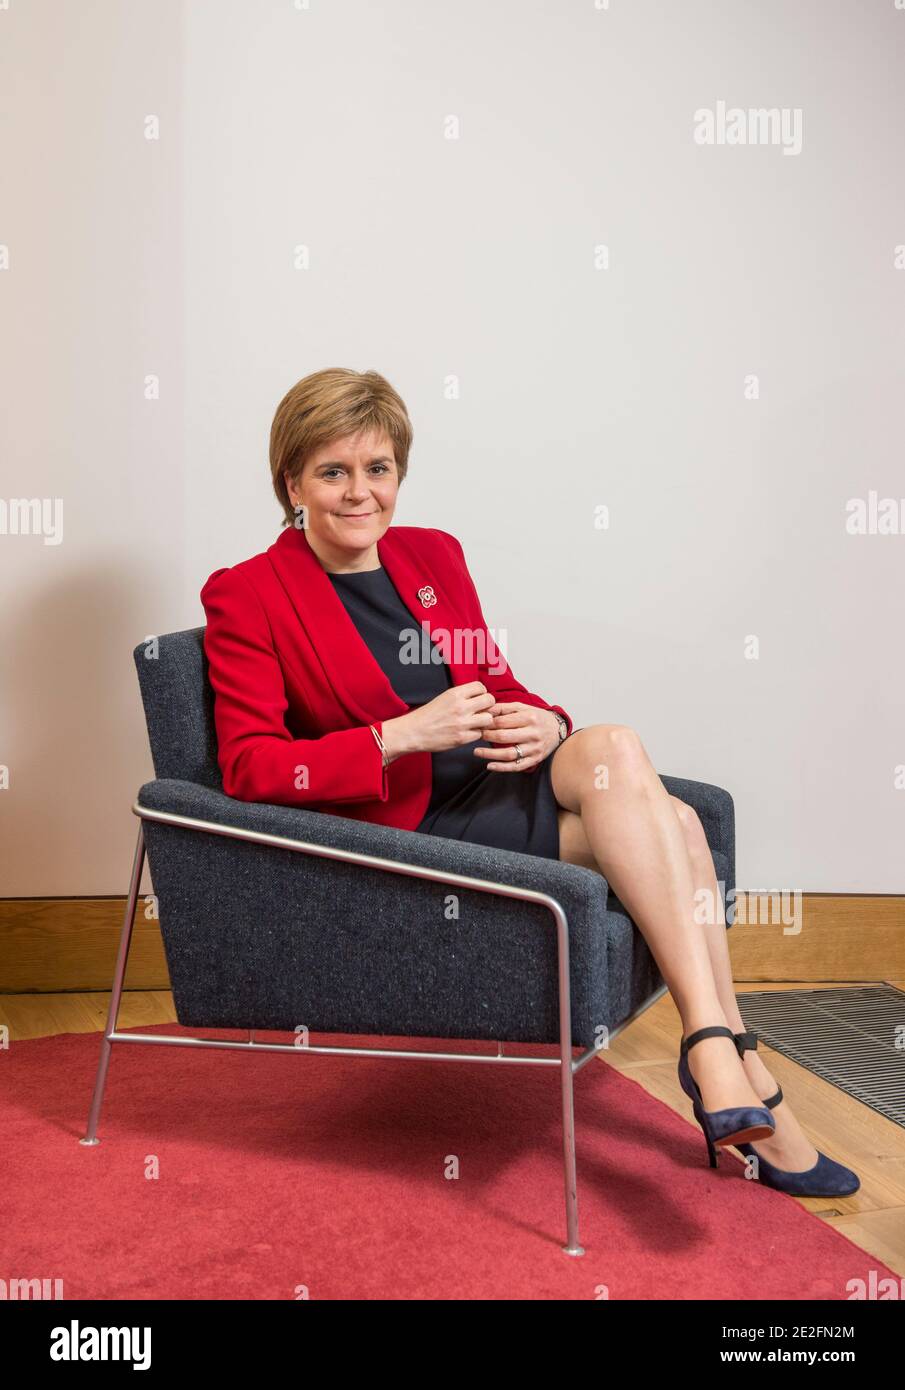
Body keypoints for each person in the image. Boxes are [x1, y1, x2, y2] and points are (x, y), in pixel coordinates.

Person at [200, 366, 858, 1199]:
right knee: (680, 830)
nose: (360, 494)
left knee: (612, 748)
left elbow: (500, 684)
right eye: (333, 472)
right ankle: (735, 1059)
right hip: (410, 825)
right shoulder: (248, 593)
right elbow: (249, 766)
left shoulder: (430, 554)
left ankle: (711, 1046)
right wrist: (398, 736)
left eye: (378, 469)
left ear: (399, 472)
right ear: (291, 480)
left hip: (496, 783)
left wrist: (544, 723)